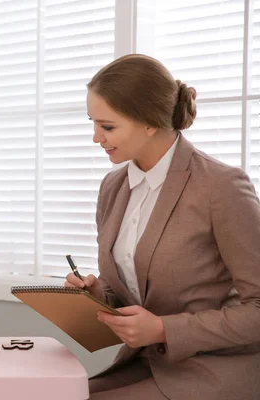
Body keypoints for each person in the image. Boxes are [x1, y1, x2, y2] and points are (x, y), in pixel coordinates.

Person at [65, 54, 260, 399]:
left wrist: (162, 329)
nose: (96, 137)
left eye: (107, 126)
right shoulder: (113, 187)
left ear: (149, 122)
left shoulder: (221, 186)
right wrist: (97, 295)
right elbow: (135, 291)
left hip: (214, 370)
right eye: (92, 123)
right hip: (148, 364)